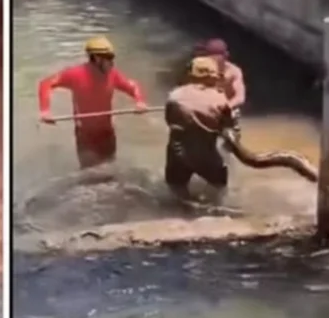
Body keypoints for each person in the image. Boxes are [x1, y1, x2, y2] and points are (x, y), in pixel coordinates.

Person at [39, 36, 148, 169]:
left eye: (112, 57)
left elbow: (132, 86)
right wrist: (45, 110)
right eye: (109, 58)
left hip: (106, 131)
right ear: (96, 58)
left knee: (110, 168)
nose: (112, 62)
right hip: (85, 134)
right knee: (89, 172)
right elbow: (46, 84)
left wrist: (140, 101)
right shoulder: (74, 74)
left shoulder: (113, 74)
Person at [164, 56, 235, 199]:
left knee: (176, 187)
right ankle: (211, 209)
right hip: (206, 154)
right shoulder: (220, 100)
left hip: (178, 152)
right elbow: (227, 129)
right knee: (219, 185)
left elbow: (169, 120)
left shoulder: (175, 96)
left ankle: (180, 207)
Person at [193, 38, 246, 139]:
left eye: (217, 60)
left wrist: (227, 107)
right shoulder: (201, 71)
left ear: (226, 56)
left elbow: (240, 97)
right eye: (211, 60)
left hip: (228, 109)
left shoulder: (234, 72)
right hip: (207, 108)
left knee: (232, 136)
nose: (214, 64)